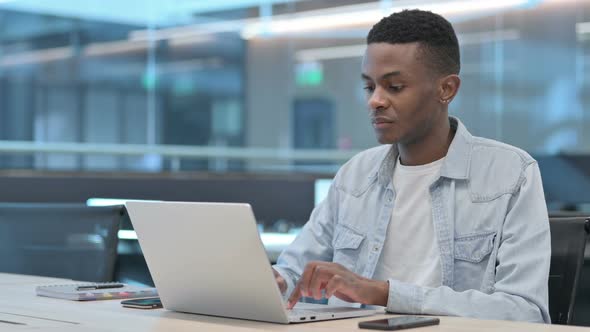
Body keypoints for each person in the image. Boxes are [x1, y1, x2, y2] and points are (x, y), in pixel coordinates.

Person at [272, 9, 551, 323]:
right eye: (369, 87)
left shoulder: (511, 174)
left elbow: (525, 312)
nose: (375, 100)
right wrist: (275, 282)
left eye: (394, 87)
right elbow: (292, 270)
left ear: (446, 89)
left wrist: (384, 293)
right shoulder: (355, 176)